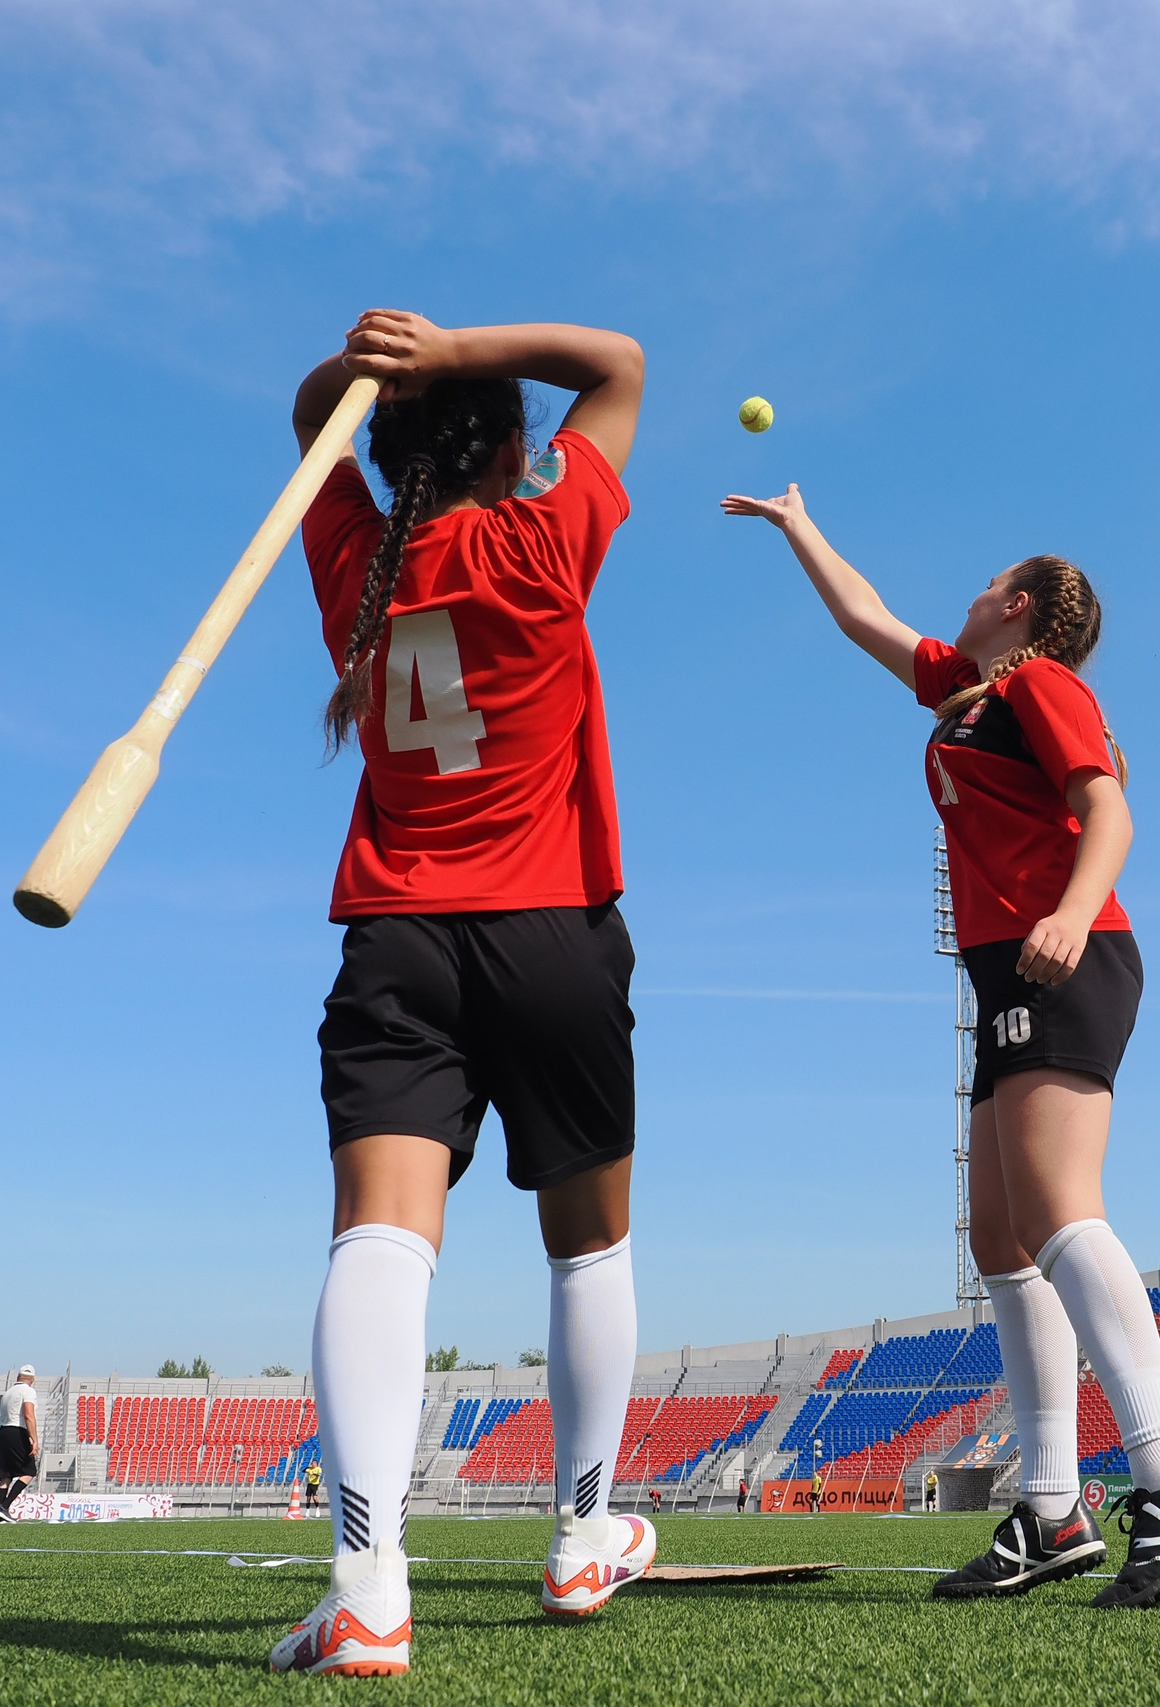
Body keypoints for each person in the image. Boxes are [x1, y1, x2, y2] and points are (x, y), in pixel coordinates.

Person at [725, 486, 1160, 1611]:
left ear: (1015, 604)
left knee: (1058, 1209)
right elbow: (865, 619)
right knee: (1002, 1238)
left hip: (1068, 954)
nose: (960, 597)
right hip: (1005, 970)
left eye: (982, 583)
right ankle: (1052, 1509)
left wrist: (1067, 910)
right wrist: (801, 524)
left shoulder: (1044, 684)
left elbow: (1109, 809)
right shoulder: (968, 690)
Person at [271, 313, 650, 1678]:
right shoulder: (541, 537)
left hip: (397, 940)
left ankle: (368, 1588)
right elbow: (619, 363)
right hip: (551, 927)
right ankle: (582, 1535)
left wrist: (369, 370)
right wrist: (454, 346)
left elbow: (305, 411)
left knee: (379, 1236)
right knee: (587, 1242)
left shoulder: (356, 564)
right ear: (506, 444)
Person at [0, 1364, 41, 1521]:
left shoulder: (8, 1392)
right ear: (32, 1380)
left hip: (3, 1431)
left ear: (18, 1377)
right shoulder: (28, 1391)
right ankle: (5, 1506)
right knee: (29, 1472)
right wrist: (34, 1439)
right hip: (17, 1431)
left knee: (6, 1475)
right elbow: (28, 1415)